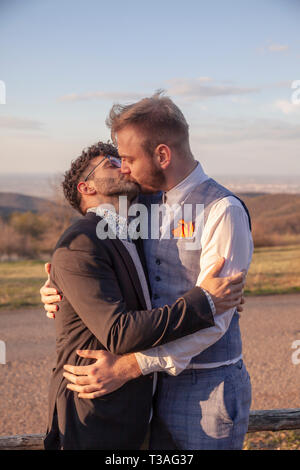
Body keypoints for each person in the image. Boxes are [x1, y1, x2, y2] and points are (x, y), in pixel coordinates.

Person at [43, 140, 245, 450]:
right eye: (110, 163)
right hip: (93, 411)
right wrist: (204, 301)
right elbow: (119, 332)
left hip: (136, 411)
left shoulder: (131, 232)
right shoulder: (82, 241)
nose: (122, 165)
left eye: (122, 159)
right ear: (86, 187)